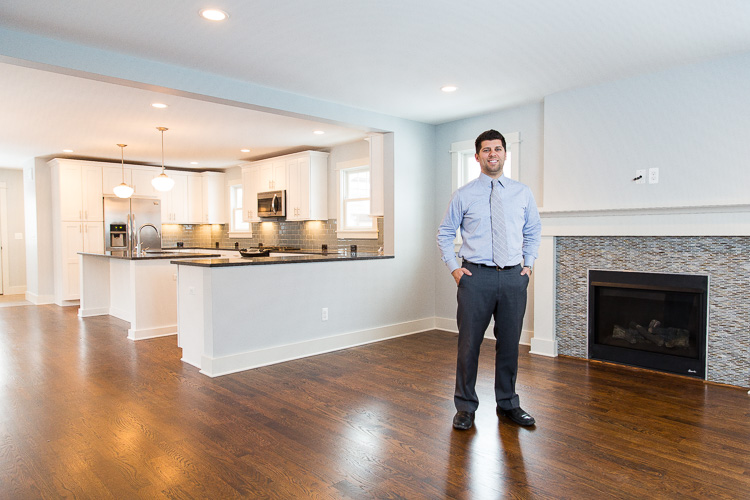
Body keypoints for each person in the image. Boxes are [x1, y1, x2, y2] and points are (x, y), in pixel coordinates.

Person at [436, 129, 541, 430]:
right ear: (477, 156)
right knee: (469, 345)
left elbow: (533, 231)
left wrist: (529, 266)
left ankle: (508, 403)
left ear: (505, 154)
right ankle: (465, 406)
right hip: (475, 279)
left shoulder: (522, 193)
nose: (492, 154)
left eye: (497, 149)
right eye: (486, 150)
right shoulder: (464, 195)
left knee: (509, 345)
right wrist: (455, 269)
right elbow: (445, 233)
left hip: (513, 278)